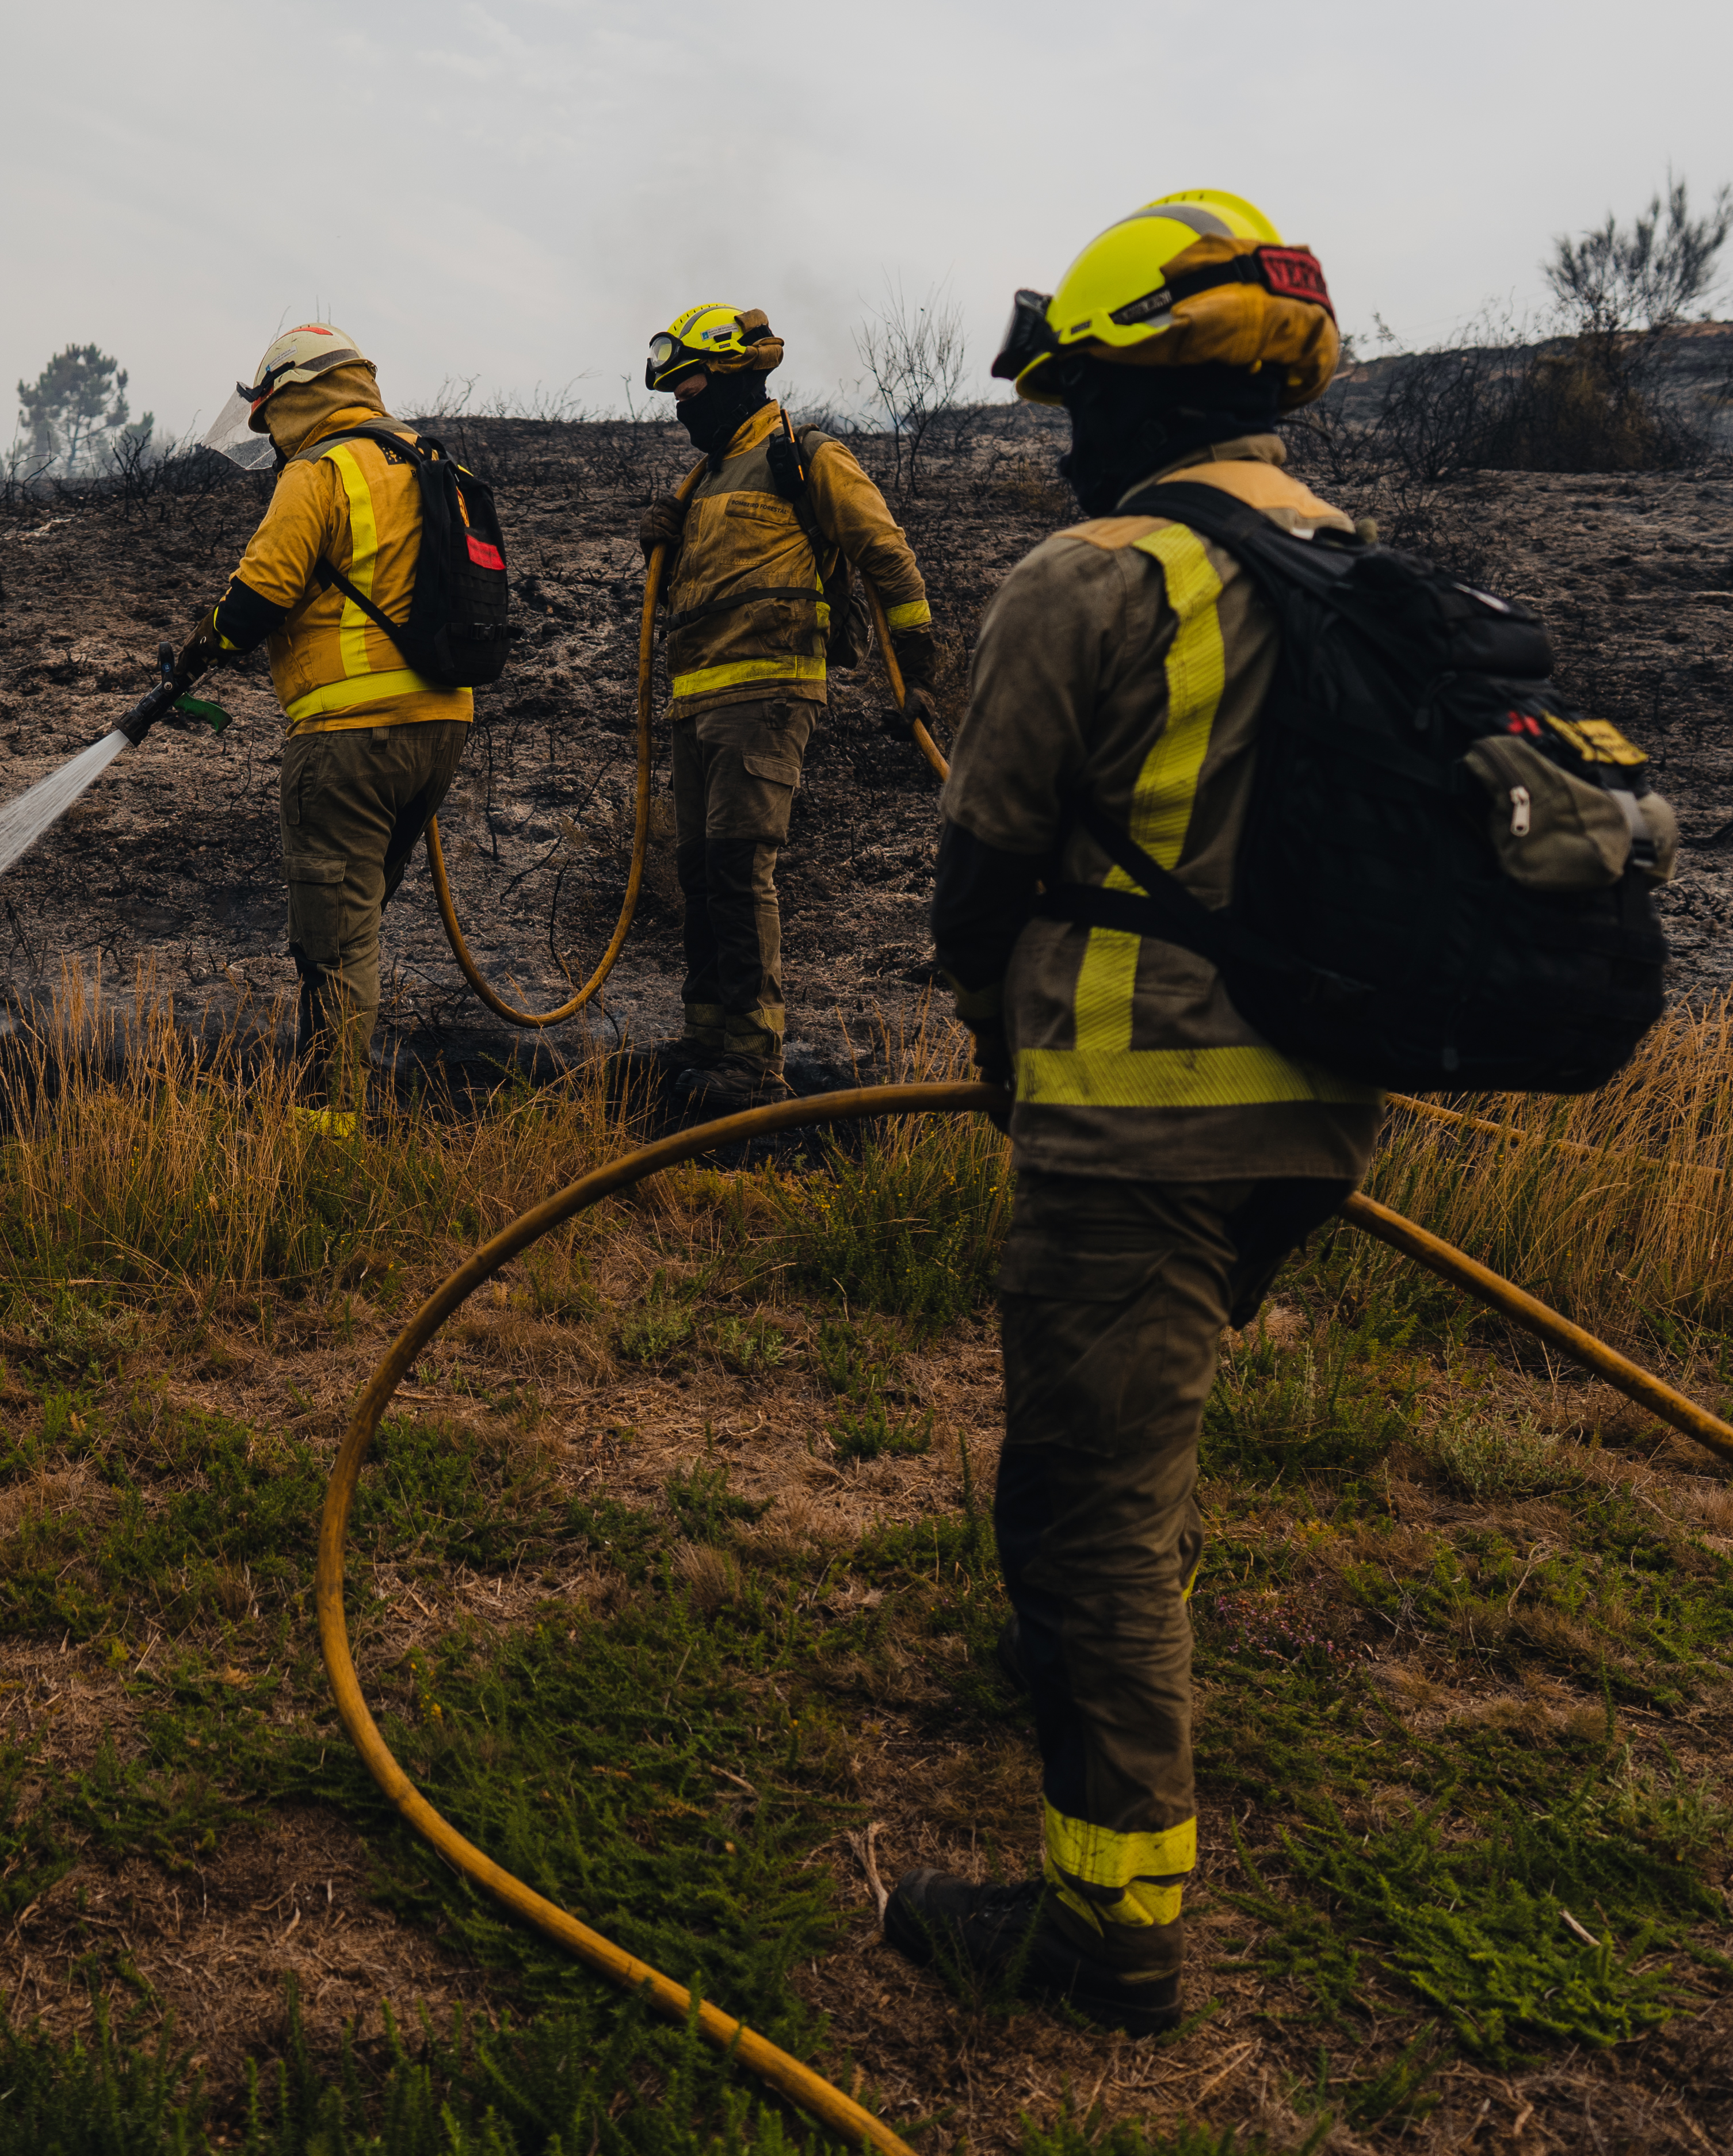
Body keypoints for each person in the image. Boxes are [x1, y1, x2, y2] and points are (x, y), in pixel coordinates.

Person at [885, 190, 1366, 2035]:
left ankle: (1106, 1929)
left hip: (1131, 1129)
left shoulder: (1094, 578)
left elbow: (980, 861)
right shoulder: (1339, 557)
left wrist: (978, 1019)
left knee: (1082, 1502)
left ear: (1135, 394)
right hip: (1306, 1123)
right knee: (1130, 1452)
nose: (1059, 440)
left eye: (1072, 397)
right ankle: (1075, 1666)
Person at [637, 304, 936, 1111]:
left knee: (739, 869)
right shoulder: (701, 480)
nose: (680, 404)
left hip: (766, 694)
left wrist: (917, 663)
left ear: (734, 376)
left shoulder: (803, 457)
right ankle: (707, 1033)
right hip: (697, 698)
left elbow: (885, 554)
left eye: (689, 384)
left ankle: (752, 1059)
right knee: (698, 873)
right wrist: (663, 540)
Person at [179, 326, 474, 1130]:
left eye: (268, 416)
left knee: (331, 943)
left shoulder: (321, 469)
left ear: (294, 398)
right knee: (358, 922)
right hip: (439, 727)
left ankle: (328, 1126)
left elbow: (259, 596)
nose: (268, 439)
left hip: (347, 735)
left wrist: (203, 640)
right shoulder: (427, 462)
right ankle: (339, 1097)